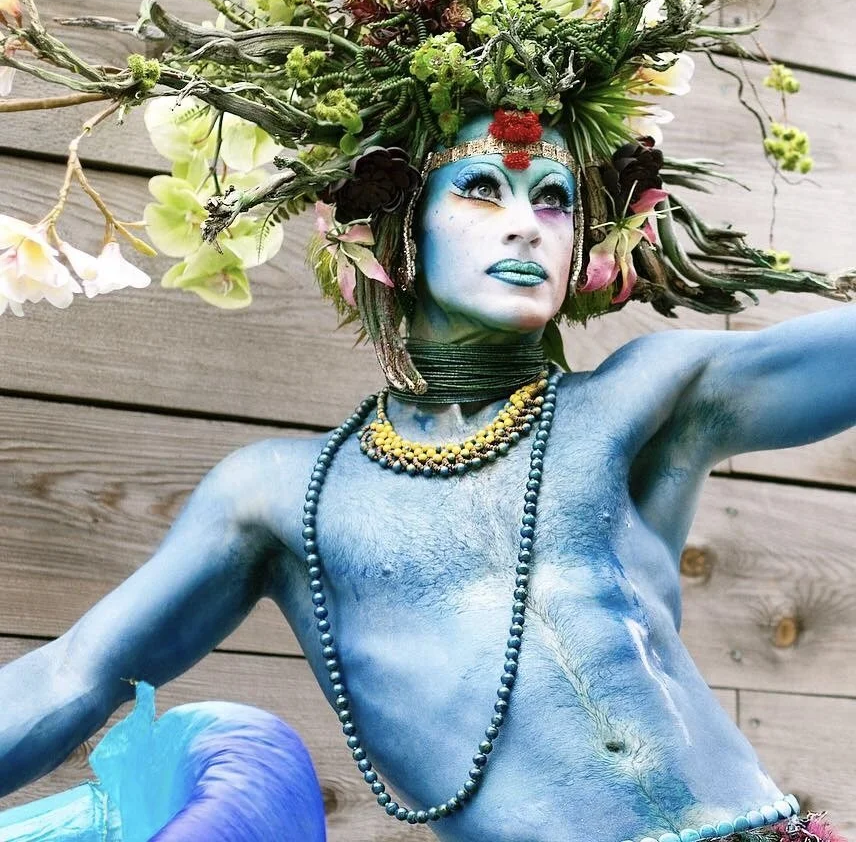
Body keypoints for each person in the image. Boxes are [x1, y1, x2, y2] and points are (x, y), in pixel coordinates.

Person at [0, 110, 853, 842]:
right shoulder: (282, 496)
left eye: (553, 200)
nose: (527, 225)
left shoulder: (642, 399)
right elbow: (72, 675)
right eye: (483, 188)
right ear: (395, 229)